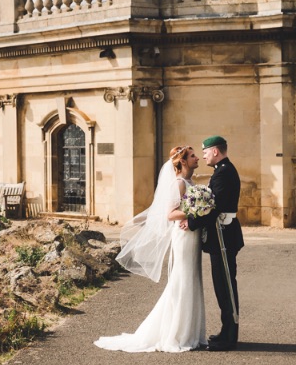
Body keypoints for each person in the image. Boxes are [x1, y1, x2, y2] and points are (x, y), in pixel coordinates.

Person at [94, 145, 207, 353]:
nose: (197, 158)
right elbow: (170, 214)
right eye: (192, 156)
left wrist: (197, 210)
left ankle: (190, 332)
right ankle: (176, 333)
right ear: (183, 161)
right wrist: (196, 210)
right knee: (182, 279)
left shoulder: (191, 182)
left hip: (193, 237)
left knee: (193, 278)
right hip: (183, 236)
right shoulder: (179, 183)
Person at [181, 135, 243, 351]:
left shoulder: (224, 172)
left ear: (215, 151)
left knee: (225, 285)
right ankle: (226, 331)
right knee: (222, 286)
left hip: (224, 237)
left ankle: (230, 337)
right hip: (222, 236)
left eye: (206, 151)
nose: (204, 155)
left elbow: (214, 207)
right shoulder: (223, 170)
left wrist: (191, 222)